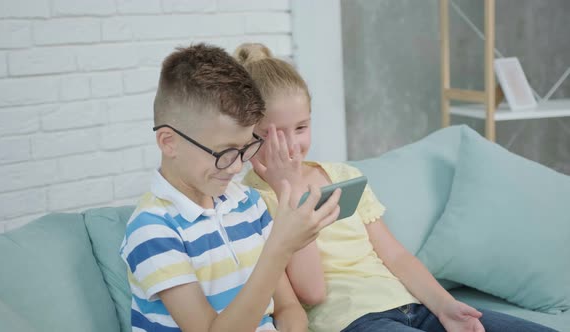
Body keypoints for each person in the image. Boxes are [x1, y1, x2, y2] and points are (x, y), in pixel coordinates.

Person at [235, 43, 557, 332]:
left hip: (414, 308)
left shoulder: (342, 175)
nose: (291, 145)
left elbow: (397, 257)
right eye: (274, 134)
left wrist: (445, 307)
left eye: (301, 127)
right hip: (352, 321)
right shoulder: (249, 203)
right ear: (248, 133)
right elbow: (311, 292)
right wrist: (288, 188)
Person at [119, 43, 342, 332]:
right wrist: (280, 247)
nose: (237, 167)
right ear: (168, 142)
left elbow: (289, 309)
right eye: (224, 153)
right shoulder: (152, 230)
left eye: (244, 149)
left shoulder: (247, 202)